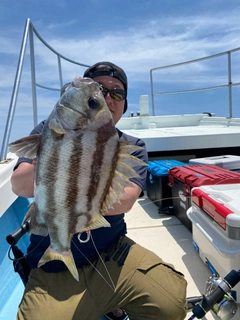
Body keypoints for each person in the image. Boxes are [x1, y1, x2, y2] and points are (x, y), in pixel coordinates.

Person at [11, 61, 187, 320]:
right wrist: (59, 152)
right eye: (100, 91)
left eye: (117, 93)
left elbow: (125, 200)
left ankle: (110, 302)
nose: (108, 96)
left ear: (123, 105)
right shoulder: (49, 129)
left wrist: (80, 177)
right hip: (52, 265)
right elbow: (18, 185)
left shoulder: (131, 145)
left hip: (112, 250)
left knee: (171, 303)